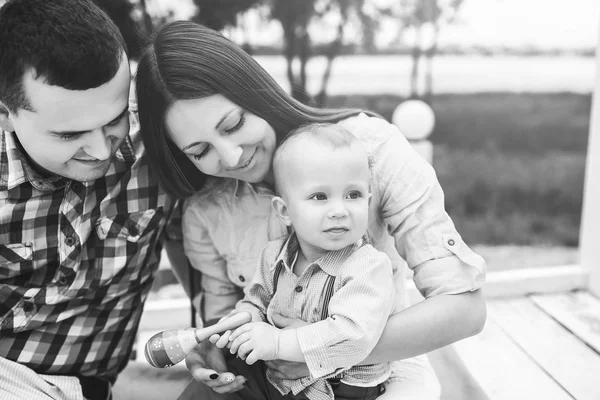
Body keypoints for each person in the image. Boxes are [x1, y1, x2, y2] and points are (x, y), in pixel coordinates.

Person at [135, 21, 487, 400]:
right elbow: (226, 320)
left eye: (234, 124)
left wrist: (311, 349)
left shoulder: (368, 149)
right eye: (200, 151)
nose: (231, 156)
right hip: (272, 376)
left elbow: (465, 309)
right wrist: (215, 351)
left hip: (378, 373)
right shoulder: (206, 211)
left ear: (255, 91)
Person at [0, 1, 170, 399]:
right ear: (5, 115)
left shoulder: (159, 147)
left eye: (114, 120)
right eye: (68, 135)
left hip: (102, 385)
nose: (99, 150)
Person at [209, 123, 396, 400]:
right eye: (320, 196)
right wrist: (239, 326)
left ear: (368, 200)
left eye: (353, 195)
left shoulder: (368, 266)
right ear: (284, 211)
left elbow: (354, 335)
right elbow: (257, 301)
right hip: (278, 372)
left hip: (342, 386)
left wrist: (277, 342)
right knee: (213, 389)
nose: (339, 211)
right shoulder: (273, 255)